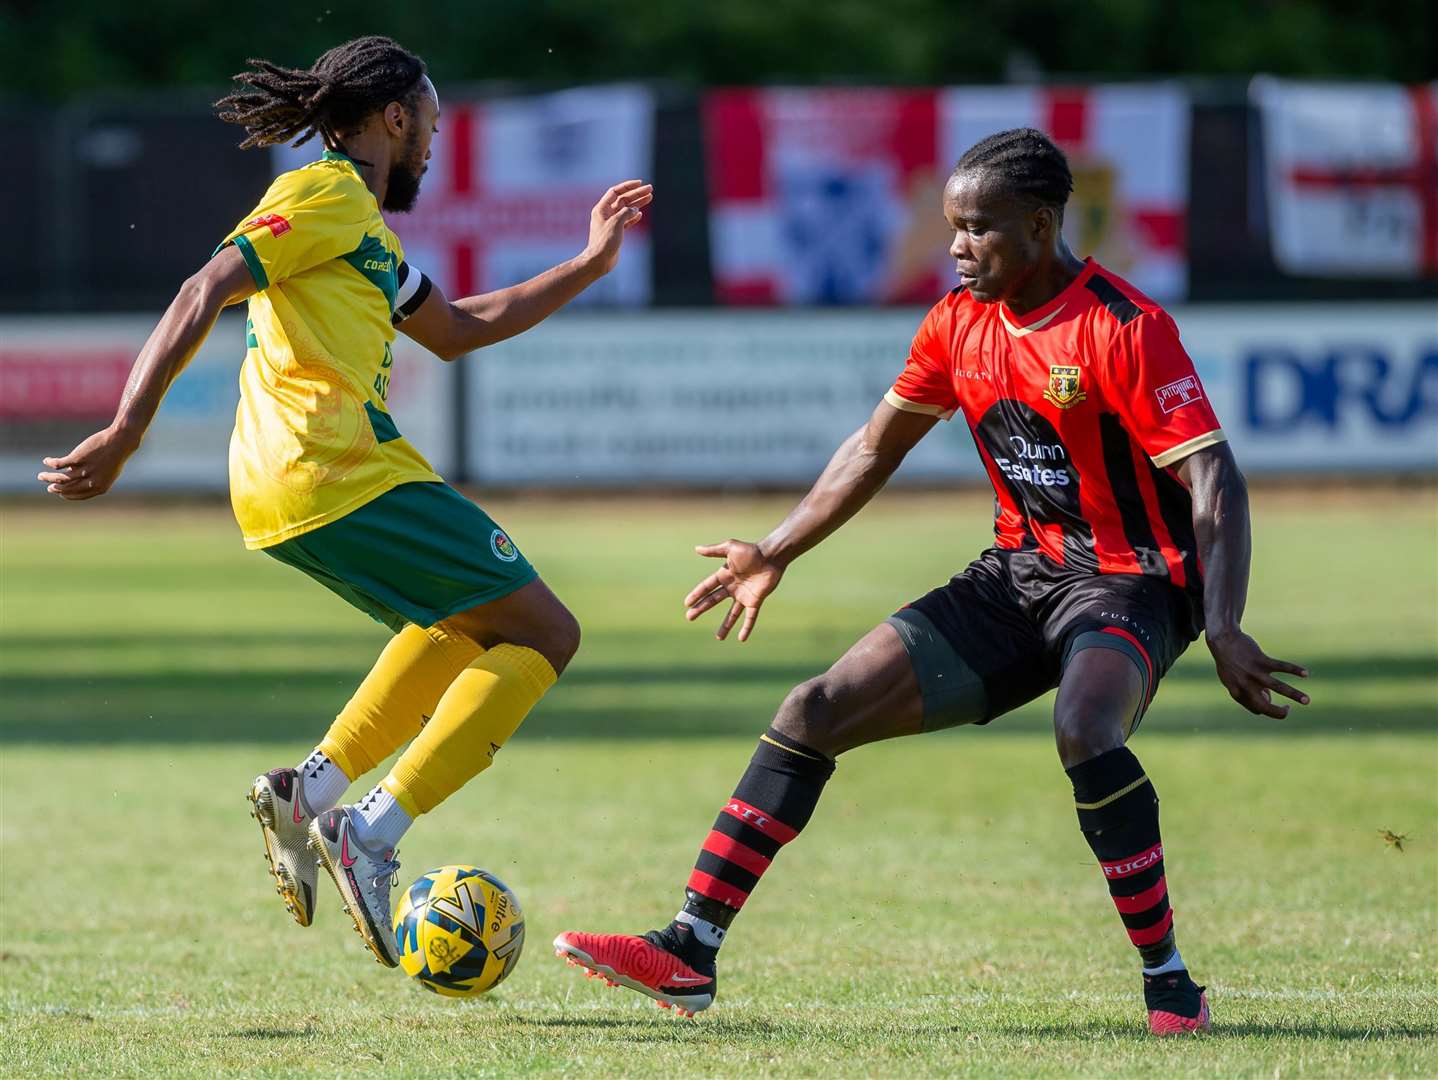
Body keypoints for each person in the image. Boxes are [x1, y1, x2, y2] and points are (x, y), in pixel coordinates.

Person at [554, 128, 1308, 1035]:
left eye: (977, 228)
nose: (955, 245)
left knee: (1085, 728)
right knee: (813, 708)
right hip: (1015, 575)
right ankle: (689, 948)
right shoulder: (958, 321)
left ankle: (1169, 981)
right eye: (951, 225)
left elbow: (1214, 473)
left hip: (1132, 583)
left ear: (1039, 224)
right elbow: (875, 447)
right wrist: (777, 548)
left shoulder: (1123, 327)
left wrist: (1223, 623)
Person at [36, 36, 652, 969]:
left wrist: (588, 265)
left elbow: (456, 328)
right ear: (395, 117)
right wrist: (126, 432)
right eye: (432, 125)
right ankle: (372, 829)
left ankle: (310, 794)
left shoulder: (366, 230)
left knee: (470, 625)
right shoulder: (321, 194)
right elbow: (206, 287)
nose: (434, 146)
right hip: (338, 469)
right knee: (548, 633)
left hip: (295, 489)